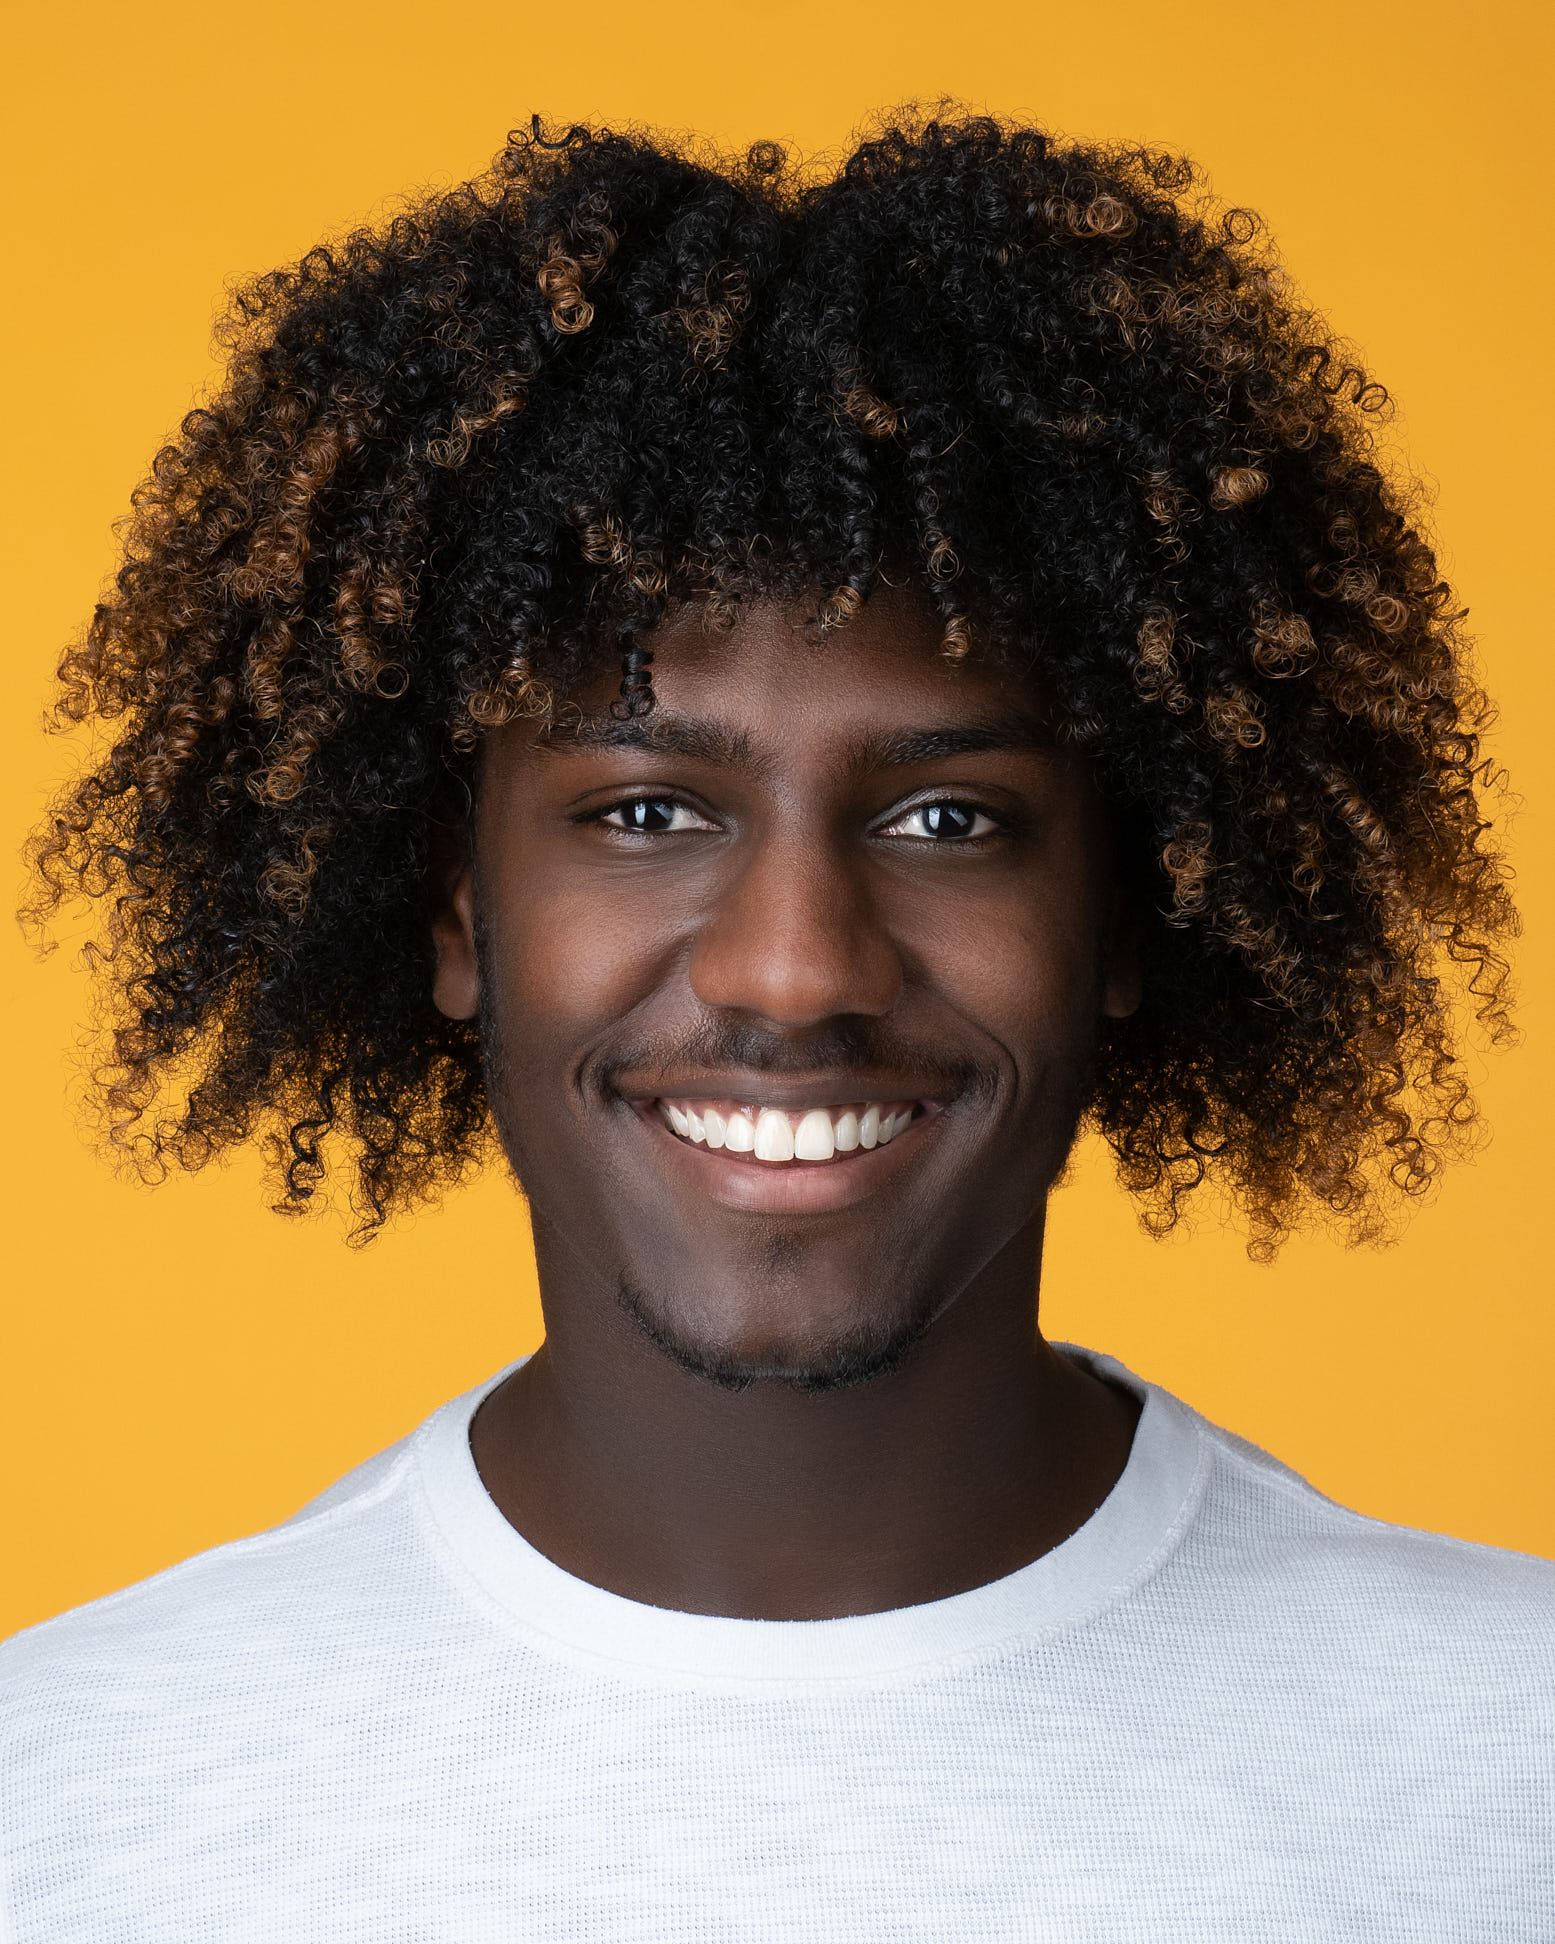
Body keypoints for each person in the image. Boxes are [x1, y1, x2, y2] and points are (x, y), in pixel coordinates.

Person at [4, 112, 1550, 1942]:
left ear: (1130, 913)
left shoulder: (1507, 1766)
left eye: (948, 819)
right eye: (650, 810)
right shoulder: (68, 1795)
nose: (797, 971)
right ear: (455, 911)